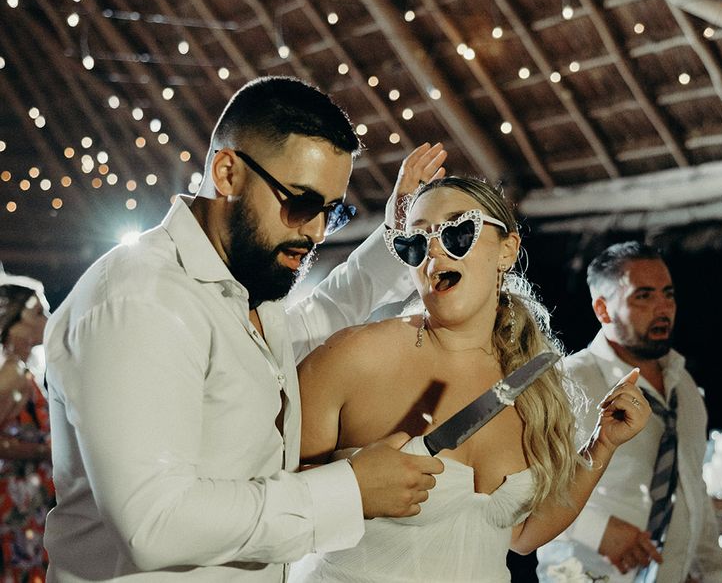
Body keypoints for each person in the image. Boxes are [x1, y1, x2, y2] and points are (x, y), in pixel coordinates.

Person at [43, 76, 447, 582]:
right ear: (228, 172)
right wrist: (348, 492)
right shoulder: (139, 298)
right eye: (301, 203)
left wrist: (393, 238)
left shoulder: (241, 287)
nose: (318, 232)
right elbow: (154, 522)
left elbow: (321, 316)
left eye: (332, 211)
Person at [293, 177, 651, 582]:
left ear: (507, 250)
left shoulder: (533, 382)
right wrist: (352, 485)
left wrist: (602, 446)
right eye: (415, 241)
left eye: (458, 230)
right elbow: (269, 497)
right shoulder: (354, 357)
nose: (433, 250)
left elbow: (520, 535)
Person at [537, 241, 722, 583]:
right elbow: (523, 487)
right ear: (603, 310)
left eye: (668, 294)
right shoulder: (566, 382)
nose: (662, 307)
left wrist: (715, 573)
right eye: (643, 296)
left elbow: (693, 488)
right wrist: (598, 531)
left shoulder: (683, 384)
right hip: (585, 573)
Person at [0, 273, 54, 581]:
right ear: (14, 322)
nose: (47, 319)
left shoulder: (21, 370)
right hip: (16, 506)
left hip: (29, 503)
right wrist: (44, 451)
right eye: (38, 313)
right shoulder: (12, 374)